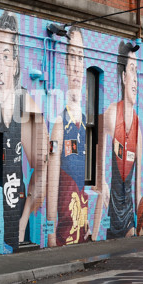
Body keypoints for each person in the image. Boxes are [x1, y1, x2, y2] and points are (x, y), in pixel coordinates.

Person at [0, 11, 47, 253]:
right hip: (2, 233)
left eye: (6, 56)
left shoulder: (26, 106)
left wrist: (24, 223)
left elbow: (42, 168)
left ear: (15, 63)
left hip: (17, 227)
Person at [92, 41, 142, 240]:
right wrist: (101, 181)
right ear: (123, 77)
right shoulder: (113, 113)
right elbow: (98, 147)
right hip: (111, 211)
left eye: (138, 71)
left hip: (128, 211)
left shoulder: (138, 127)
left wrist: (142, 220)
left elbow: (137, 186)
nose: (136, 80)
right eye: (132, 70)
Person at [47, 27, 88, 247]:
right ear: (65, 63)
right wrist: (51, 234)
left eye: (80, 57)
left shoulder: (86, 118)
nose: (76, 65)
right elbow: (53, 183)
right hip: (64, 231)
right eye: (72, 56)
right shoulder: (59, 122)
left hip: (81, 226)